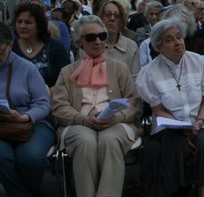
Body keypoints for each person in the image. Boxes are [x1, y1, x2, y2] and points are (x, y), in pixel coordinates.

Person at [52, 15, 142, 197]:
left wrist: (116, 117)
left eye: (102, 36)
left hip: (116, 123)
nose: (98, 41)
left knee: (109, 140)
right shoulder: (67, 72)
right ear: (79, 42)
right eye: (91, 37)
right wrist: (83, 119)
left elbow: (134, 102)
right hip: (77, 124)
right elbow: (59, 106)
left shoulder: (119, 68)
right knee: (86, 141)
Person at [136, 19, 204, 197]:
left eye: (179, 37)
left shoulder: (200, 62)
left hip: (199, 122)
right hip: (168, 127)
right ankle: (176, 192)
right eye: (169, 40)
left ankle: (203, 193)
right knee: (175, 146)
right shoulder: (149, 72)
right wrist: (182, 129)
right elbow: (159, 110)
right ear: (158, 47)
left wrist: (199, 122)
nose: (177, 43)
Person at [0, 21, 54, 197]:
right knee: (2, 157)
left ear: (9, 46)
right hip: (2, 124)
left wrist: (26, 117)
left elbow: (43, 103)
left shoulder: (26, 68)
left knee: (30, 158)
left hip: (33, 122)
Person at [12, 1, 69, 87]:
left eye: (28, 22)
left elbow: (66, 80)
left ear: (39, 25)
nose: (22, 26)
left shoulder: (55, 47)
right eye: (19, 22)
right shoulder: (10, 47)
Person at [98, 0, 140, 78]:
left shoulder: (131, 47)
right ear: (101, 18)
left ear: (121, 21)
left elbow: (135, 79)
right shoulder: (89, 45)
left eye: (117, 16)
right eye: (108, 14)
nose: (112, 19)